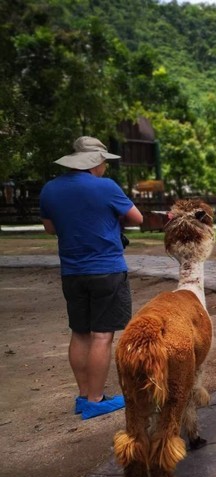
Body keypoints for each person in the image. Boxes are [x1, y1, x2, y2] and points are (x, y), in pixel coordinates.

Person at [40, 136, 143, 418]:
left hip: (72, 272)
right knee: (101, 336)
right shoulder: (105, 187)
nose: (105, 168)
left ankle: (84, 396)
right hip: (106, 269)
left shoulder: (50, 189)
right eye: (103, 163)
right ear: (95, 162)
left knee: (80, 333)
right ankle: (97, 400)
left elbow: (50, 228)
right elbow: (138, 218)